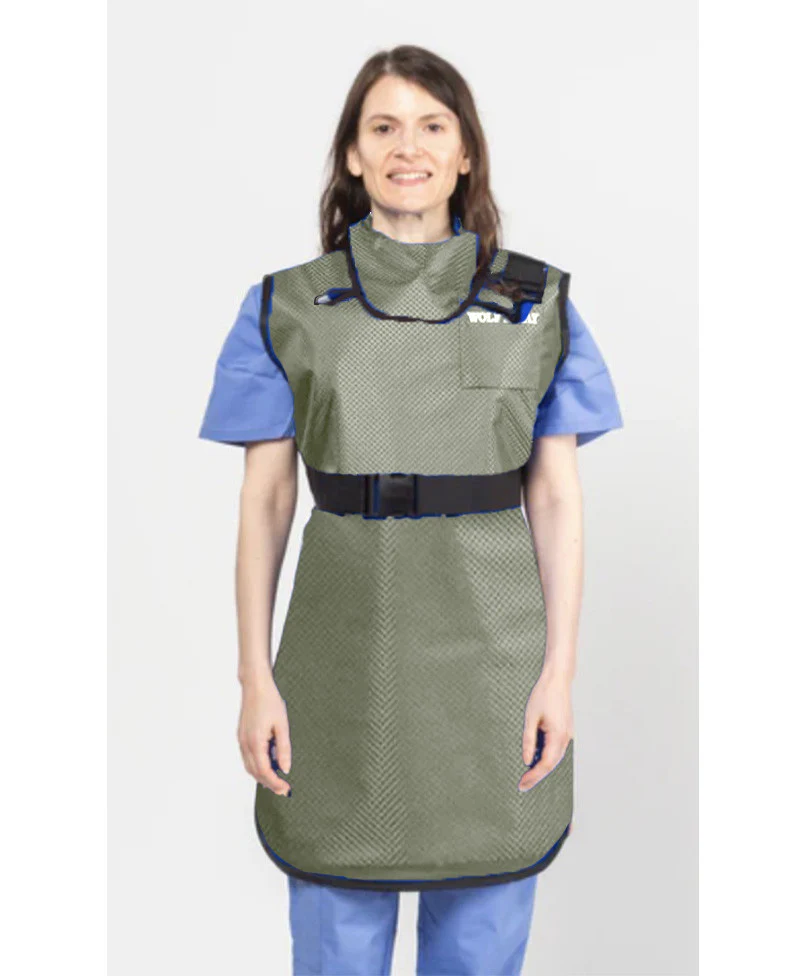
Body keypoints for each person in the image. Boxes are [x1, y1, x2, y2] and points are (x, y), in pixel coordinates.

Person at [199, 44, 623, 976]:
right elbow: (266, 500)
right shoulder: (288, 307)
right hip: (340, 668)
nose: (409, 148)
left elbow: (556, 495)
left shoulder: (535, 302)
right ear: (353, 154)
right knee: (337, 947)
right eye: (383, 127)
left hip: (492, 668)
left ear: (465, 153)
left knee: (480, 950)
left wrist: (558, 674)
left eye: (433, 126)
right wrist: (254, 678)